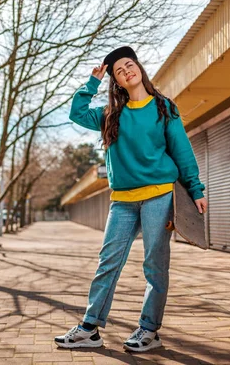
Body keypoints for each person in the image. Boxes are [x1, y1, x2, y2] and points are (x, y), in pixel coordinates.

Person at [54, 46, 208, 353]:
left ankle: (149, 329)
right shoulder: (111, 114)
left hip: (159, 197)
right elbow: (77, 113)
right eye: (119, 72)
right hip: (122, 201)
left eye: (129, 64)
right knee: (108, 263)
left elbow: (182, 152)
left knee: (155, 265)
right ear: (118, 82)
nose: (126, 71)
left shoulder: (164, 108)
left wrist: (196, 190)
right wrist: (92, 82)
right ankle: (89, 329)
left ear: (138, 67)